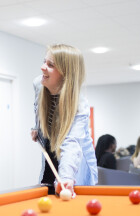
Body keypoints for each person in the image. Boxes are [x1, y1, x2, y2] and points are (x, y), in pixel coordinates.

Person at [30, 44, 98, 196]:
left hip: (76, 164)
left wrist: (66, 177)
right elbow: (38, 108)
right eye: (44, 61)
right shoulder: (38, 84)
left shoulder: (79, 105)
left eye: (50, 65)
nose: (42, 67)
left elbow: (71, 143)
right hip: (50, 149)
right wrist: (36, 127)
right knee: (47, 187)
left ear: (65, 73)